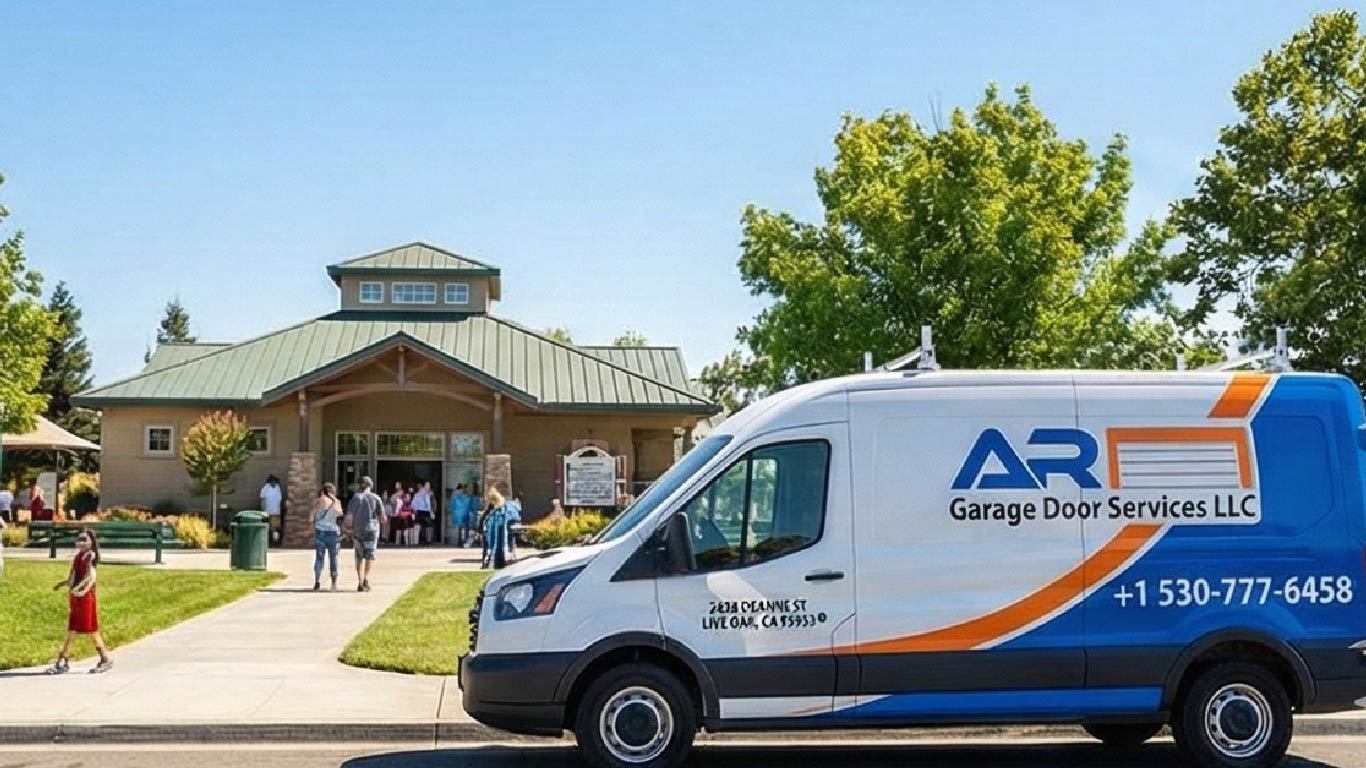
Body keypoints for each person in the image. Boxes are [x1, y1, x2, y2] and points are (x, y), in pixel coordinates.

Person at [45, 528, 113, 674]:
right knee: (76, 628)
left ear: (91, 542)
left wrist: (80, 590)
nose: (81, 542)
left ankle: (66, 660)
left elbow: (90, 576)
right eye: (79, 539)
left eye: (84, 539)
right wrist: (63, 584)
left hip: (85, 597)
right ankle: (65, 659)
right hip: (76, 597)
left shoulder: (90, 557)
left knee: (88, 628)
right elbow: (73, 576)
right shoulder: (78, 557)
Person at [344, 476, 384, 592]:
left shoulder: (355, 498)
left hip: (358, 530)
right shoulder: (376, 498)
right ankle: (366, 578)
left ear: (360, 485)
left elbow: (350, 516)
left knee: (359, 556)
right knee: (369, 556)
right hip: (372, 530)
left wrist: (348, 528)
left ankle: (360, 581)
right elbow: (382, 517)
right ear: (369, 486)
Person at [312, 483, 342, 592]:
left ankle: (317, 582)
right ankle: (333, 583)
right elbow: (340, 513)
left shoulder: (317, 502)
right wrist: (334, 502)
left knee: (319, 557)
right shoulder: (336, 502)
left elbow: (311, 518)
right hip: (332, 532)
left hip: (319, 531)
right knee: (333, 558)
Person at [481, 488, 512, 569]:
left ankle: (488, 563)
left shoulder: (496, 511)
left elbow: (486, 519)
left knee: (490, 547)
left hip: (492, 532)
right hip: (496, 531)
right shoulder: (502, 508)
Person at [259, 475, 283, 546]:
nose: (274, 483)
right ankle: (269, 541)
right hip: (267, 511)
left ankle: (275, 541)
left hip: (276, 512)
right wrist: (263, 510)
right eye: (272, 481)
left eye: (275, 482)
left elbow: (279, 499)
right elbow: (262, 497)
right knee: (268, 527)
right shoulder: (266, 488)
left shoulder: (278, 488)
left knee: (275, 527)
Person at [412, 481, 434, 545]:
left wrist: (415, 509)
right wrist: (431, 511)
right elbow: (428, 503)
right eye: (427, 485)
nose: (428, 487)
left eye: (429, 485)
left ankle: (416, 540)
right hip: (426, 511)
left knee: (418, 525)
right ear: (425, 486)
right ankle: (428, 540)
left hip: (418, 511)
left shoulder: (417, 493)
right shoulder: (426, 493)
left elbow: (413, 503)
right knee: (427, 526)